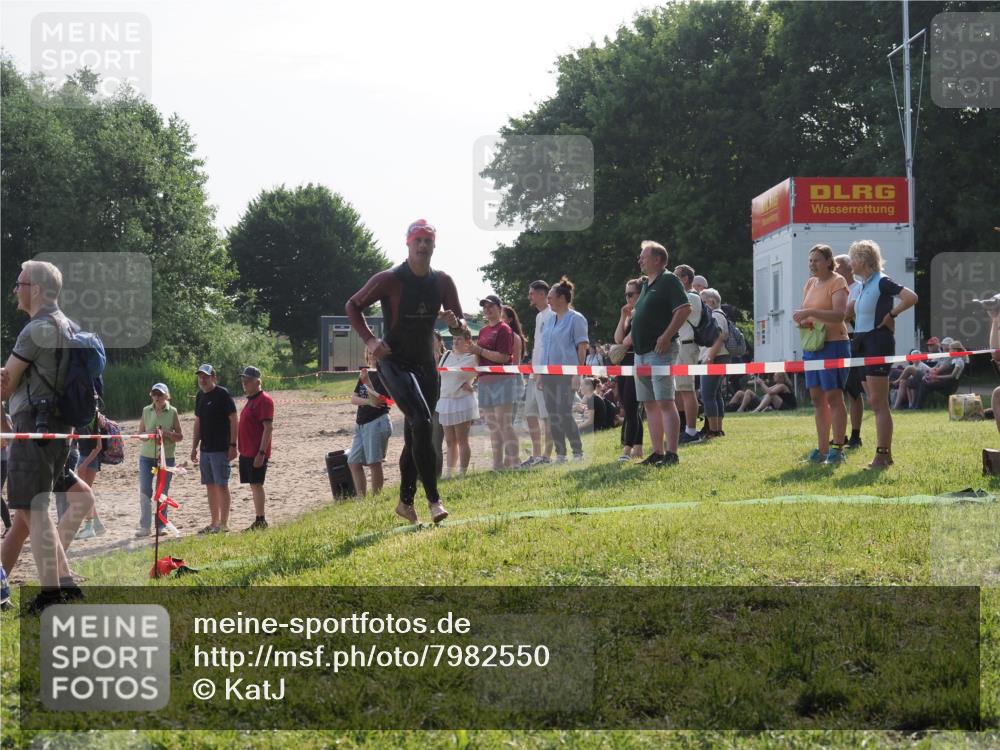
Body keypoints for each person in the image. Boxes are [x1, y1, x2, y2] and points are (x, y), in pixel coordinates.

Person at [345, 219, 466, 525]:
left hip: (426, 365)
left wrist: (454, 323)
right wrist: (371, 340)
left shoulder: (442, 282)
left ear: (434, 245)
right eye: (418, 240)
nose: (423, 245)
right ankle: (434, 501)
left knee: (417, 436)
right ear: (408, 244)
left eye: (428, 240)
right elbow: (353, 305)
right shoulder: (390, 279)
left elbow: (461, 326)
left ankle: (404, 502)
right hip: (393, 362)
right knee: (422, 420)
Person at [0, 260, 78, 608]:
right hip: (61, 428)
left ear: (39, 290)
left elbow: (6, 386)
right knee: (38, 508)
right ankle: (66, 584)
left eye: (21, 283)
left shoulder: (34, 330)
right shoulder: (69, 326)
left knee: (35, 510)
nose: (16, 289)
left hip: (34, 424)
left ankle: (51, 596)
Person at [847, 239, 918, 469]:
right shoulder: (863, 284)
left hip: (877, 342)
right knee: (874, 402)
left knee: (879, 402)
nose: (850, 262)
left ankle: (882, 455)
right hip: (861, 343)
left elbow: (911, 297)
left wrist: (892, 315)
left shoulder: (881, 281)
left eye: (853, 257)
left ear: (864, 260)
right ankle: (884, 454)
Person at [626, 242, 692, 466]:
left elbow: (684, 309)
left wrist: (666, 335)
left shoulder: (669, 280)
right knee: (650, 404)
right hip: (641, 352)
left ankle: (671, 453)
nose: (640, 260)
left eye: (644, 256)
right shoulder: (646, 284)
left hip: (660, 351)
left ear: (657, 259)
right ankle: (657, 453)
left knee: (664, 401)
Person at [792, 244, 850, 465]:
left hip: (834, 345)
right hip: (812, 346)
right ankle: (822, 449)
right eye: (810, 261)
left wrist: (810, 312)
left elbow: (838, 315)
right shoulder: (810, 283)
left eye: (816, 260)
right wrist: (804, 321)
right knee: (817, 399)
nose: (812, 265)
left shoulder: (838, 282)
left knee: (834, 397)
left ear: (828, 261)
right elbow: (809, 312)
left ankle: (837, 449)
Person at [541, 277, 589, 462]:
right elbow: (545, 349)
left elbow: (582, 347)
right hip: (548, 374)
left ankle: (577, 452)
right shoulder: (549, 320)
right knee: (553, 414)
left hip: (566, 375)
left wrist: (578, 373)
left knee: (564, 412)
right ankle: (561, 454)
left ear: (562, 298)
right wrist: (540, 374)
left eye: (551, 297)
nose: (548, 301)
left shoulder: (576, 319)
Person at [471, 295, 518, 470]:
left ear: (500, 309)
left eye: (491, 306)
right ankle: (497, 464)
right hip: (485, 381)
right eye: (485, 307)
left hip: (502, 380)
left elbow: (504, 357)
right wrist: (476, 362)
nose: (488, 309)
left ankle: (515, 462)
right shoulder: (483, 331)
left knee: (504, 423)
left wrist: (479, 350)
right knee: (492, 425)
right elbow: (478, 354)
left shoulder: (504, 329)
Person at [190, 363, 238, 534]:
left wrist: (233, 445)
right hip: (205, 449)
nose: (202, 379)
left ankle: (224, 524)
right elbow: (198, 422)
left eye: (206, 376)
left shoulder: (223, 394)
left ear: (213, 378)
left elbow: (233, 419)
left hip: (220, 448)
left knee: (222, 485)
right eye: (200, 376)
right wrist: (194, 446)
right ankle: (214, 522)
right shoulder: (200, 396)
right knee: (210, 485)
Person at [137, 382, 183, 536]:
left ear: (166, 396)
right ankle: (145, 526)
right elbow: (140, 435)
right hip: (147, 457)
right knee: (145, 489)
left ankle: (161, 525)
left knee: (162, 491)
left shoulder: (173, 412)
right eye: (154, 394)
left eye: (160, 394)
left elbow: (180, 436)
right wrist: (150, 434)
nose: (157, 397)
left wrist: (167, 434)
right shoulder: (146, 410)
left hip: (166, 458)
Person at [673, 264, 710, 444]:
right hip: (682, 347)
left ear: (685, 279)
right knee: (680, 390)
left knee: (687, 390)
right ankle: (683, 429)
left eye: (676, 276)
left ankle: (691, 431)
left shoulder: (691, 297)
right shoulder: (686, 296)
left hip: (687, 346)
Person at [347, 352, 392, 497]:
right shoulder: (367, 373)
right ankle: (361, 499)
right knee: (353, 462)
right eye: (369, 353)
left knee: (374, 462)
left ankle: (376, 498)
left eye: (375, 353)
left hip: (377, 421)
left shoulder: (386, 374)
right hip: (361, 423)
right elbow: (354, 399)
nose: (372, 355)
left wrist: (367, 383)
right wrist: (366, 401)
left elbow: (379, 401)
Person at [435, 329, 479, 477]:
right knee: (449, 440)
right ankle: (449, 473)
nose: (455, 341)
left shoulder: (473, 357)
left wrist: (474, 386)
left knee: (462, 440)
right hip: (446, 399)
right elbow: (440, 373)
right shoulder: (447, 355)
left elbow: (485, 372)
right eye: (454, 338)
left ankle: (462, 473)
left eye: (459, 339)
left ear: (468, 341)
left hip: (462, 400)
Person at [521, 280, 555, 467]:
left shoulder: (552, 315)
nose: (530, 297)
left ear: (542, 294)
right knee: (530, 414)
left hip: (545, 373)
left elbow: (549, 347)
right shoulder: (539, 316)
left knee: (546, 416)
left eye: (532, 293)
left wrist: (543, 372)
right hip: (535, 374)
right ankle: (536, 455)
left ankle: (547, 456)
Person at [835, 253, 865, 449]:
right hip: (836, 340)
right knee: (838, 390)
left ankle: (855, 435)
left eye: (836, 267)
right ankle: (840, 434)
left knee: (853, 390)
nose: (834, 271)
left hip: (852, 341)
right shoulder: (836, 289)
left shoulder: (858, 289)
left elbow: (846, 315)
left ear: (848, 268)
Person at [238, 366, 274, 528]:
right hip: (246, 451)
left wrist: (261, 453)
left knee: (257, 484)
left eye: (248, 380)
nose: (245, 383)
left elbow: (268, 428)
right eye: (243, 380)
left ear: (257, 382)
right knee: (253, 485)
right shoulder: (251, 400)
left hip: (256, 452)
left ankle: (261, 519)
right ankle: (258, 518)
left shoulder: (264, 400)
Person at [613, 278, 645, 462]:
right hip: (625, 363)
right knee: (628, 404)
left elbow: (627, 342)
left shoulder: (643, 314)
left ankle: (627, 447)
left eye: (631, 294)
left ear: (641, 294)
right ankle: (638, 446)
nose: (628, 298)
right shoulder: (631, 314)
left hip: (636, 360)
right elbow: (618, 338)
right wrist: (623, 316)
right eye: (626, 294)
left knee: (632, 405)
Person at [698, 288, 731, 439]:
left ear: (711, 302)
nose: (701, 305)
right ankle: (717, 429)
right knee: (715, 394)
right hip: (718, 357)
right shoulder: (720, 315)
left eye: (702, 302)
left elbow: (719, 337)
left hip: (714, 358)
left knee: (707, 395)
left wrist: (709, 358)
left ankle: (713, 431)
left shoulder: (716, 315)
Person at [72, 411, 105, 540]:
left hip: (89, 459)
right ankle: (98, 526)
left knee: (85, 494)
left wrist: (84, 464)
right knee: (87, 493)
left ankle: (89, 526)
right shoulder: (78, 417)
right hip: (83, 457)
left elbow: (98, 446)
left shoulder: (94, 417)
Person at [914, 340, 966, 409]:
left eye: (950, 349)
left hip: (949, 384)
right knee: (923, 382)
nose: (949, 351)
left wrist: (937, 377)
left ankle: (918, 407)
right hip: (945, 382)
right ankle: (917, 405)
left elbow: (952, 376)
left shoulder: (959, 361)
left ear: (955, 350)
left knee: (924, 384)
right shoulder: (954, 360)